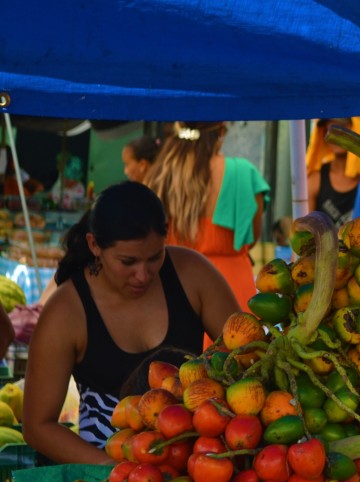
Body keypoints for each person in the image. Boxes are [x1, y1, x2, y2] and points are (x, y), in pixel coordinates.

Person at [22, 182, 239, 464]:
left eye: (155, 257)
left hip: (198, 464)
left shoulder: (193, 275)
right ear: (94, 245)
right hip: (108, 478)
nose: (143, 275)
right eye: (128, 262)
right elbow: (38, 426)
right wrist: (115, 472)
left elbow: (243, 356)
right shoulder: (66, 312)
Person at [145, 121, 270, 312]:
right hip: (230, 290)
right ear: (220, 132)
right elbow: (251, 237)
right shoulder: (243, 173)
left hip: (174, 284)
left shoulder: (159, 175)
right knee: (234, 338)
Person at [306, 117, 360, 225]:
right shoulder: (315, 178)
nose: (335, 135)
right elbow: (305, 232)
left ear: (357, 130)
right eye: (329, 129)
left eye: (342, 128)